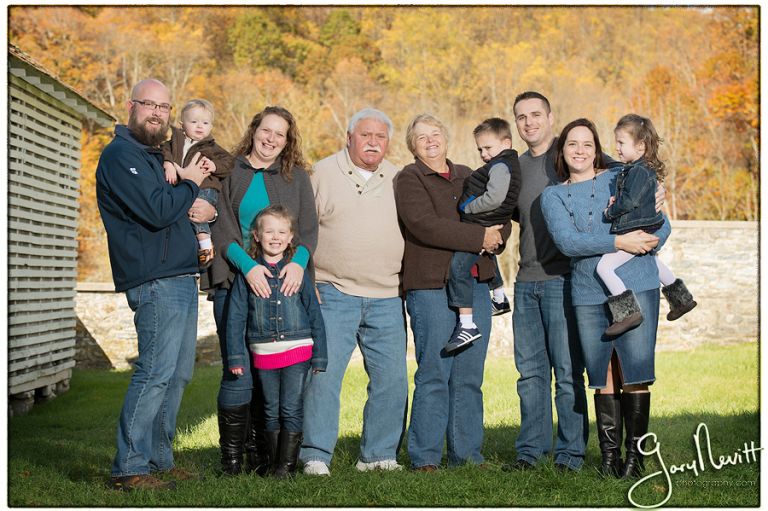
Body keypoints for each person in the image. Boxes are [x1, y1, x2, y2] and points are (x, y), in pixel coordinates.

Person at [96, 78, 212, 491]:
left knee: (177, 375)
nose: (157, 113)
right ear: (132, 106)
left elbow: (172, 204)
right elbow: (159, 209)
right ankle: (128, 468)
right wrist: (191, 183)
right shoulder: (120, 155)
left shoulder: (151, 156)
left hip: (180, 276)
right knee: (154, 373)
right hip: (154, 279)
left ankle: (159, 460)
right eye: (149, 105)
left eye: (164, 107)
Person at [540, 118, 670, 479]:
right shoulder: (552, 196)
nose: (579, 151)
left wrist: (651, 227)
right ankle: (610, 458)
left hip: (636, 284)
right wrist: (619, 241)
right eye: (571, 145)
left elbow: (664, 225)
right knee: (602, 375)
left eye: (587, 144)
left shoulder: (621, 176)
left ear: (597, 149)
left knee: (634, 371)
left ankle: (635, 458)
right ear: (562, 152)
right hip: (587, 294)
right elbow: (569, 243)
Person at [394, 113, 511, 471]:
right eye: (421, 137)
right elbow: (424, 226)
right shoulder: (409, 178)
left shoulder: (470, 174)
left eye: (435, 134)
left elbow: (501, 209)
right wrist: (479, 236)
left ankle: (467, 456)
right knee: (434, 370)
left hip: (476, 284)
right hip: (430, 285)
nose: (430, 141)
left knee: (469, 375)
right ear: (412, 146)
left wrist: (498, 234)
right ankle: (426, 457)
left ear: (446, 137)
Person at [209, 106, 318, 476]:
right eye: (266, 130)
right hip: (237, 280)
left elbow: (307, 232)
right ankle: (234, 459)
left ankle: (267, 458)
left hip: (284, 285)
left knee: (275, 373)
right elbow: (222, 228)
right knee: (238, 369)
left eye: (280, 134)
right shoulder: (230, 171)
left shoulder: (296, 177)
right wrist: (249, 266)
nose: (271, 139)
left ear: (288, 142)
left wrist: (299, 264)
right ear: (254, 130)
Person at [300, 108, 408, 476]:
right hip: (332, 290)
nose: (373, 142)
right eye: (366, 135)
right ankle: (315, 455)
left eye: (381, 137)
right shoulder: (321, 173)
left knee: (392, 378)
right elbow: (300, 230)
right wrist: (307, 280)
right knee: (323, 376)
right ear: (349, 137)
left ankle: (378, 454)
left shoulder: (398, 178)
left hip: (387, 295)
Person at [504, 91, 589, 472]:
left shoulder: (568, 155)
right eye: (521, 117)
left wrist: (654, 189)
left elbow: (618, 174)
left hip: (563, 281)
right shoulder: (515, 169)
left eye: (536, 115)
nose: (529, 122)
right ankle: (530, 453)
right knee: (530, 373)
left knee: (568, 372)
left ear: (551, 117)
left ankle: (570, 453)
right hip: (526, 282)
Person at [225, 205, 327, 478]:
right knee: (270, 408)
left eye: (282, 232)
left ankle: (287, 467)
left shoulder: (297, 272)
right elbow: (235, 318)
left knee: (291, 407)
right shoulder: (248, 275)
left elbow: (314, 314)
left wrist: (320, 355)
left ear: (291, 237)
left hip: (298, 349)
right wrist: (236, 357)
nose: (275, 236)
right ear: (256, 236)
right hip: (264, 352)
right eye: (269, 231)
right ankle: (272, 464)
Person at [598, 114, 697, 336]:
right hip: (646, 226)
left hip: (637, 229)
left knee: (604, 267)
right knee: (651, 260)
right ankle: (682, 300)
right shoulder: (640, 169)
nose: (617, 148)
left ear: (641, 146)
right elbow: (636, 198)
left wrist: (610, 211)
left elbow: (630, 202)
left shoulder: (638, 171)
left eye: (622, 143)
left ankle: (627, 313)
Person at [445, 117, 520, 353]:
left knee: (458, 268)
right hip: (492, 221)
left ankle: (467, 325)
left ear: (506, 143)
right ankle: (499, 296)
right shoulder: (508, 163)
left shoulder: (500, 166)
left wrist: (468, 207)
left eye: (488, 148)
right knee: (487, 253)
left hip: (482, 219)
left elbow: (494, 198)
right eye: (480, 149)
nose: (484, 154)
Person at [161, 99, 234, 267]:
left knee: (196, 214)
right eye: (194, 122)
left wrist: (214, 166)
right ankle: (193, 249)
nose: (199, 126)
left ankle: (206, 246)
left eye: (205, 123)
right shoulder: (175, 142)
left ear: (211, 127)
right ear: (182, 125)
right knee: (184, 218)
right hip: (182, 188)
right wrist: (168, 164)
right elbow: (164, 150)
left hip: (205, 188)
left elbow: (229, 163)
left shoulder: (211, 147)